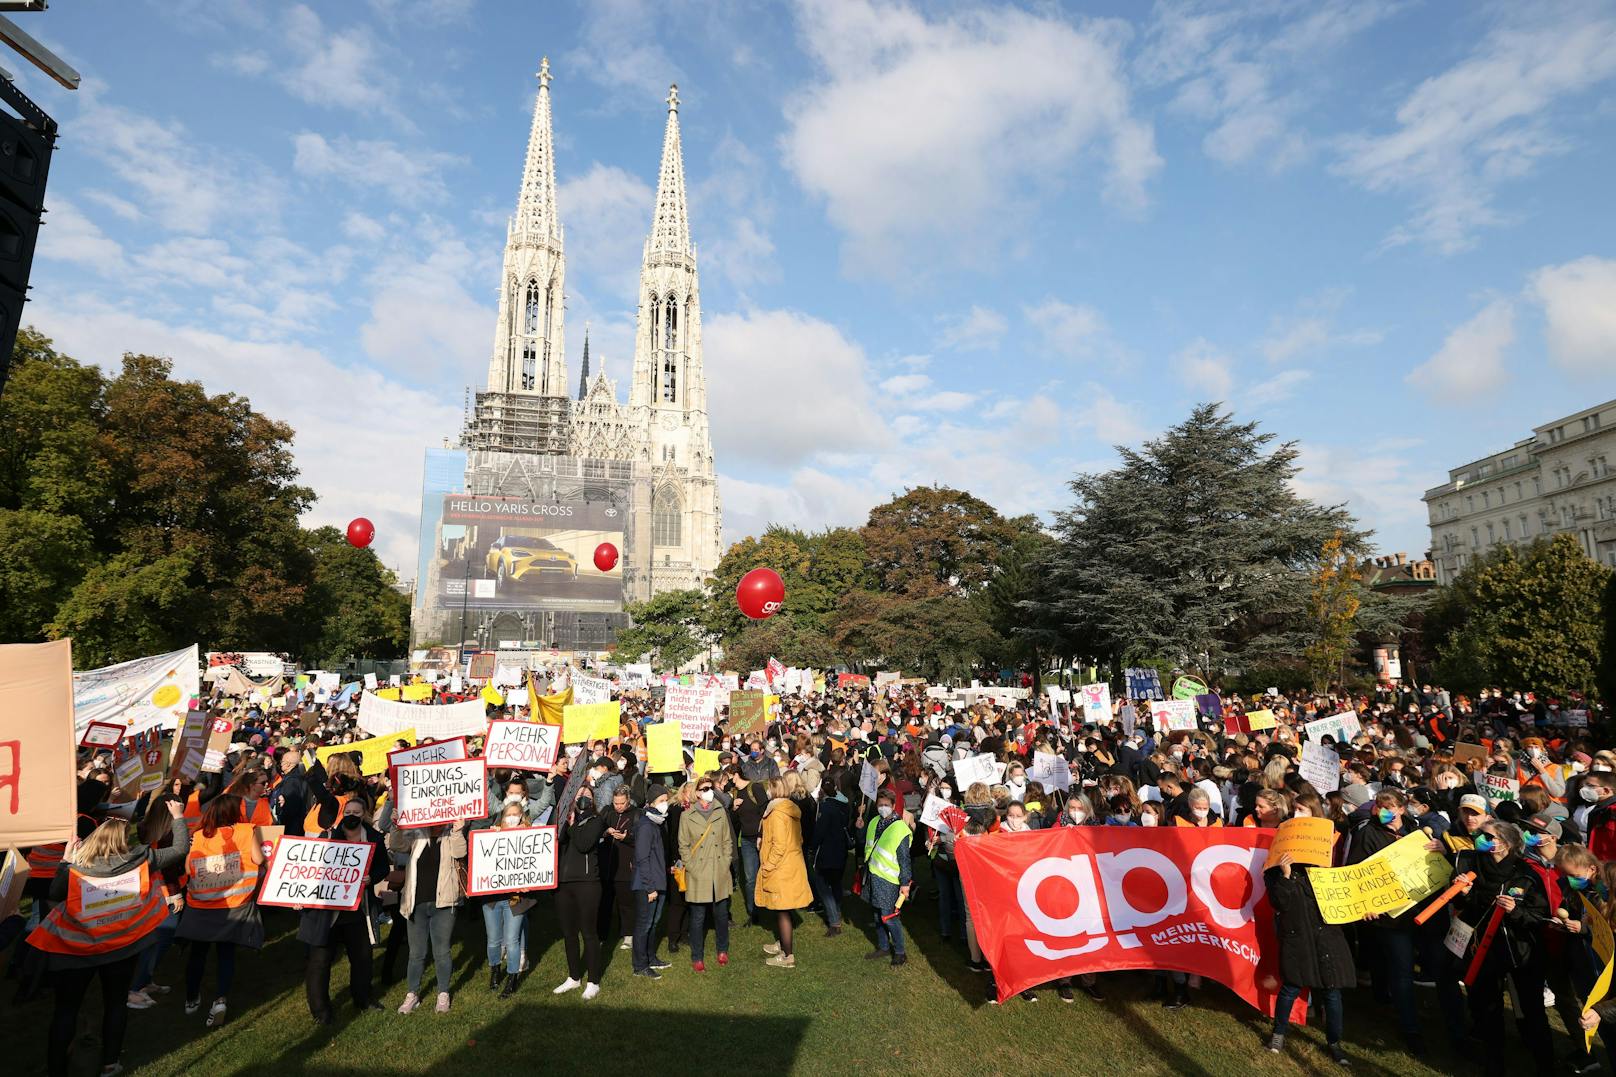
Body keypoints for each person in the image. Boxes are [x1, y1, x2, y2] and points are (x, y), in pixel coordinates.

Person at [32, 806, 189, 1077]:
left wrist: (66, 861)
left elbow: (55, 894)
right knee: (115, 1003)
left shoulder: (77, 867)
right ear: (123, 841)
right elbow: (179, 849)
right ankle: (110, 1063)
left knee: (66, 1010)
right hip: (121, 946)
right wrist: (177, 817)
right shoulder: (140, 857)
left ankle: (56, 1068)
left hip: (76, 949)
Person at [1448, 820, 1552, 1075]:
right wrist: (1464, 893)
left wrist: (1515, 912)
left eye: (1487, 836)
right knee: (1488, 1007)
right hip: (1483, 948)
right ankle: (1494, 1062)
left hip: (1521, 951)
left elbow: (1540, 916)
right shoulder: (1469, 864)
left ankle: (1546, 1063)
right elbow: (1468, 908)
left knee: (1532, 1009)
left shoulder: (1526, 874)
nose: (1479, 838)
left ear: (1504, 844)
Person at [176, 793, 266, 1028]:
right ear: (236, 812)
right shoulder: (247, 831)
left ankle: (191, 998)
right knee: (226, 954)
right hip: (235, 903)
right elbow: (257, 859)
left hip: (202, 905)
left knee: (198, 953)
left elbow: (188, 868)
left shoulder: (198, 836)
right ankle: (220, 999)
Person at [300, 796, 389, 1023]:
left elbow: (381, 868)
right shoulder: (328, 838)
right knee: (320, 961)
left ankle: (363, 998)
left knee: (362, 958)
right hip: (327, 913)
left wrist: (372, 878)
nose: (351, 815)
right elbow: (308, 869)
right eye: (347, 811)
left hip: (357, 911)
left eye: (356, 812)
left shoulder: (375, 839)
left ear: (364, 815)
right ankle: (321, 1011)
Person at [1264, 850, 1353, 1066]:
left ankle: (1334, 1042)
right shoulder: (1276, 869)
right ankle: (1278, 1034)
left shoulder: (1323, 868)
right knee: (1292, 986)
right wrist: (1285, 875)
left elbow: (1343, 903)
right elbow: (1278, 902)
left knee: (1332, 991)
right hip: (1298, 940)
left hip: (1327, 940)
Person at [385, 818, 468, 1014]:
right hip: (416, 904)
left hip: (444, 903)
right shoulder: (417, 833)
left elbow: (460, 853)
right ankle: (412, 994)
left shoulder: (451, 834)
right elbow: (397, 845)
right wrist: (396, 826)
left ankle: (443, 993)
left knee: (442, 951)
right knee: (416, 954)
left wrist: (457, 831)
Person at [553, 784, 607, 1000]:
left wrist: (573, 825)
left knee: (589, 933)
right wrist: (565, 823)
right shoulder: (565, 820)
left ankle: (593, 981)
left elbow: (584, 844)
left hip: (587, 884)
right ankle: (574, 977)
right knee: (569, 933)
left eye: (587, 795)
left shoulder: (596, 821)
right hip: (564, 884)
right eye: (579, 795)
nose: (583, 798)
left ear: (593, 800)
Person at [679, 774, 734, 971]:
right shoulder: (687, 816)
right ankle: (697, 956)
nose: (709, 791)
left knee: (720, 915)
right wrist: (691, 866)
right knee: (697, 917)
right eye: (704, 789)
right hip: (698, 872)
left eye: (711, 787)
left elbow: (728, 840)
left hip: (719, 870)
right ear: (697, 793)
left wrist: (726, 861)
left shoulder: (720, 811)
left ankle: (722, 949)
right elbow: (683, 845)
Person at [757, 777, 811, 969]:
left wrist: (768, 866)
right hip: (791, 865)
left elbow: (779, 845)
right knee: (782, 908)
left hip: (782, 867)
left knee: (782, 910)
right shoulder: (788, 808)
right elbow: (798, 838)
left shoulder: (778, 813)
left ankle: (787, 956)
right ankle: (782, 943)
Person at [480, 799, 532, 998]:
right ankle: (495, 970)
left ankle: (512, 978)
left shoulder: (529, 836)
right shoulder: (493, 833)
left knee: (512, 941)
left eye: (515, 814)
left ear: (521, 816)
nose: (511, 818)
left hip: (515, 899)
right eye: (508, 815)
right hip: (492, 898)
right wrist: (491, 836)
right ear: (503, 817)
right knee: (493, 940)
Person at [862, 787, 913, 967]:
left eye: (886, 805)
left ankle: (900, 952)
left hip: (890, 880)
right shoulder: (874, 821)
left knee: (889, 917)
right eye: (880, 804)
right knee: (877, 915)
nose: (882, 807)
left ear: (893, 806)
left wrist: (905, 884)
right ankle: (883, 947)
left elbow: (905, 860)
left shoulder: (900, 829)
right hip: (874, 875)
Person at [630, 785, 673, 979]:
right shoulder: (646, 825)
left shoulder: (657, 822)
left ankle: (650, 957)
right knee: (644, 925)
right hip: (648, 884)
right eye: (662, 800)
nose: (665, 804)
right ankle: (640, 965)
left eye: (666, 800)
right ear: (652, 802)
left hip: (658, 880)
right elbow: (642, 858)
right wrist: (649, 887)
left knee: (653, 923)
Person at [812, 775, 851, 936]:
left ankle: (834, 921)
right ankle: (838, 910)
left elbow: (819, 833)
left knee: (823, 886)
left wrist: (812, 848)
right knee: (835, 882)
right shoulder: (845, 804)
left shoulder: (825, 808)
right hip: (840, 849)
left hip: (827, 850)